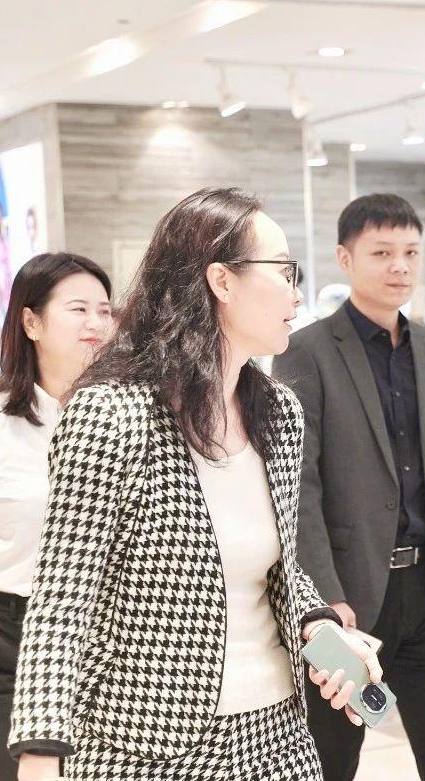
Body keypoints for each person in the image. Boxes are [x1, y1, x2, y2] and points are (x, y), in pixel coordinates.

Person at [7, 187, 382, 781]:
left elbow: (275, 567)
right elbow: (61, 599)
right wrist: (39, 753)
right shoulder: (113, 414)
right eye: (283, 271)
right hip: (144, 746)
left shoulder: (277, 412)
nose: (296, 292)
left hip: (277, 736)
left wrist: (320, 625)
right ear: (221, 280)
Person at [273, 193, 425, 781]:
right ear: (345, 258)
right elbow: (299, 485)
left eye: (411, 252)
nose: (400, 266)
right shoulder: (305, 351)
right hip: (351, 596)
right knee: (333, 756)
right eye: (382, 252)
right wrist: (322, 597)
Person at [0, 252, 113, 781]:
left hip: (108, 639)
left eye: (104, 310)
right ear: (31, 321)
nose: (96, 323)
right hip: (13, 636)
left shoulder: (130, 417)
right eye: (79, 309)